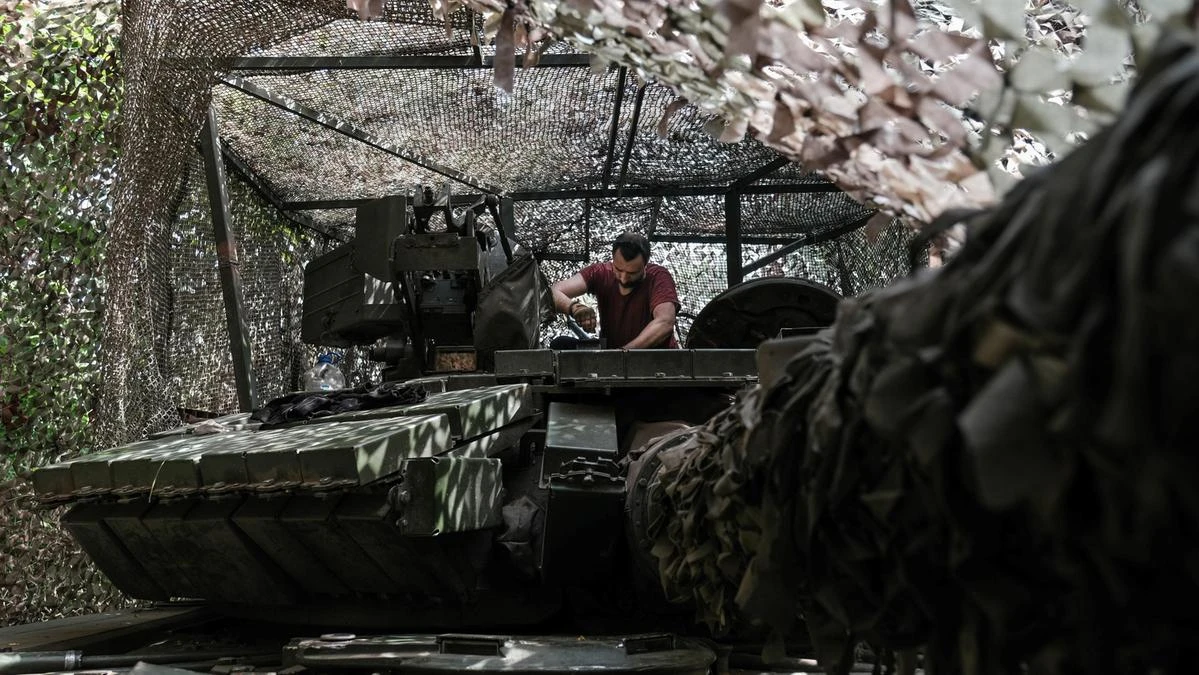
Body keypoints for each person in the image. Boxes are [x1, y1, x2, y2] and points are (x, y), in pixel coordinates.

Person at [551, 231, 680, 349]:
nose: (623, 279)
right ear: (612, 261)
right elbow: (552, 292)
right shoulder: (600, 272)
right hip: (611, 354)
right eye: (618, 270)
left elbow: (665, 322)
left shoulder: (658, 277)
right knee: (561, 344)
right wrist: (575, 308)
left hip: (653, 359)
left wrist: (624, 353)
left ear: (645, 265)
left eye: (632, 273)